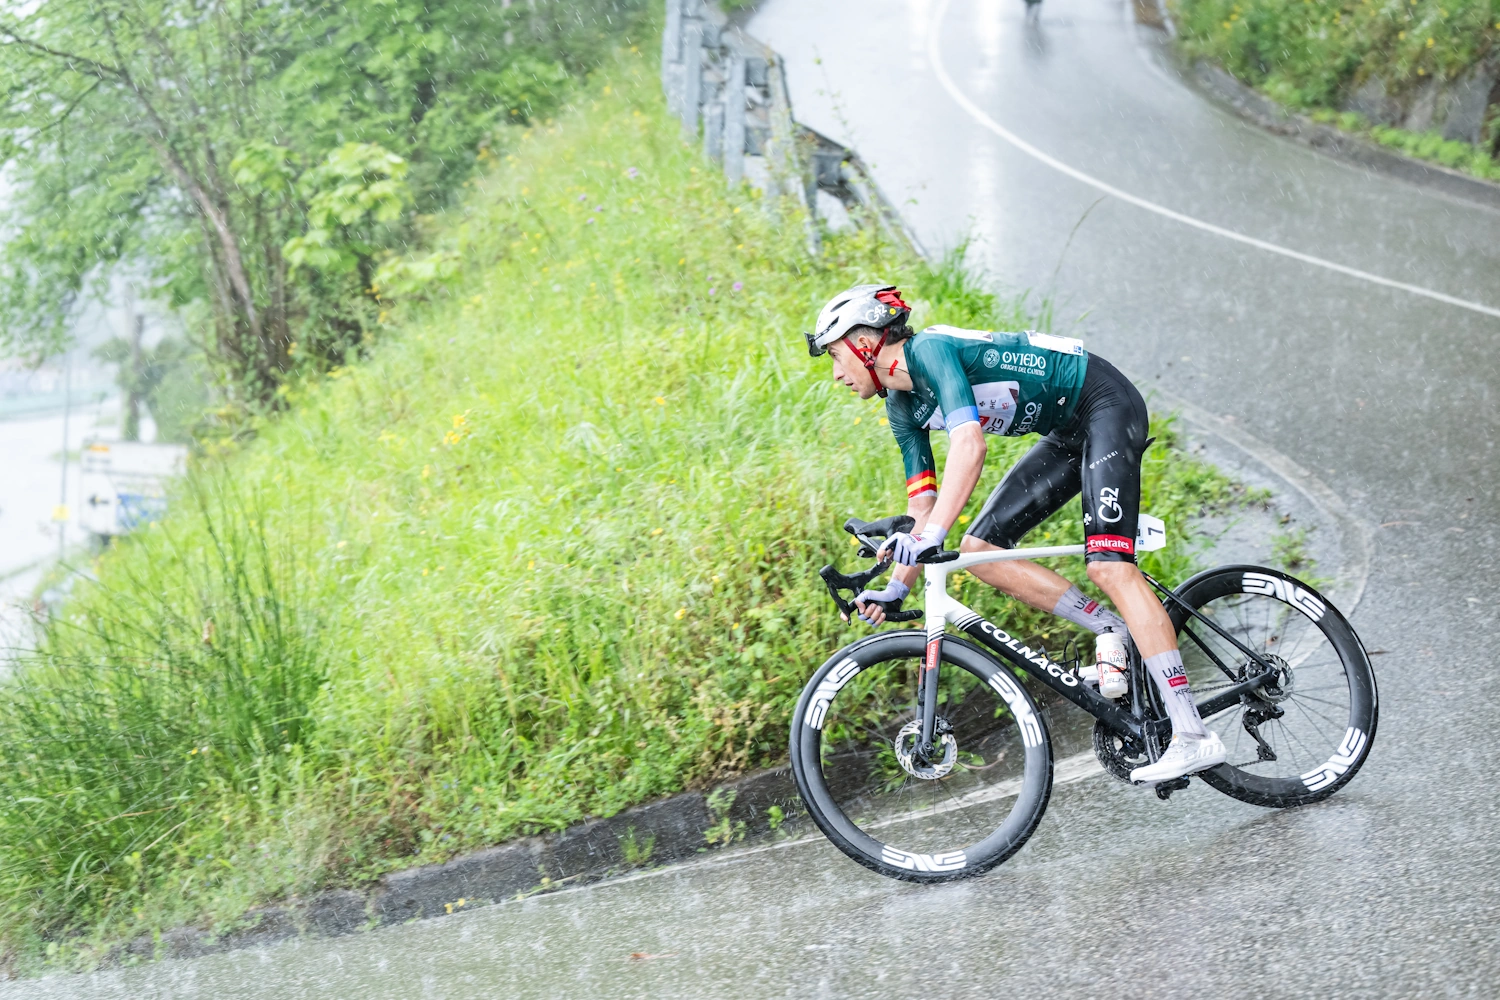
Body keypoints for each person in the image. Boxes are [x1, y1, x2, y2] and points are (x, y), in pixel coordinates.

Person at [805, 283, 1226, 784]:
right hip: (1066, 433)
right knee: (980, 551)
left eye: (836, 356)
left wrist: (932, 534)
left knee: (1109, 567)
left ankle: (1193, 733)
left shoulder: (929, 351)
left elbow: (970, 445)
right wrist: (896, 587)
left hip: (1104, 404)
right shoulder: (900, 407)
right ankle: (1111, 629)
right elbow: (922, 507)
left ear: (865, 342)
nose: (836, 373)